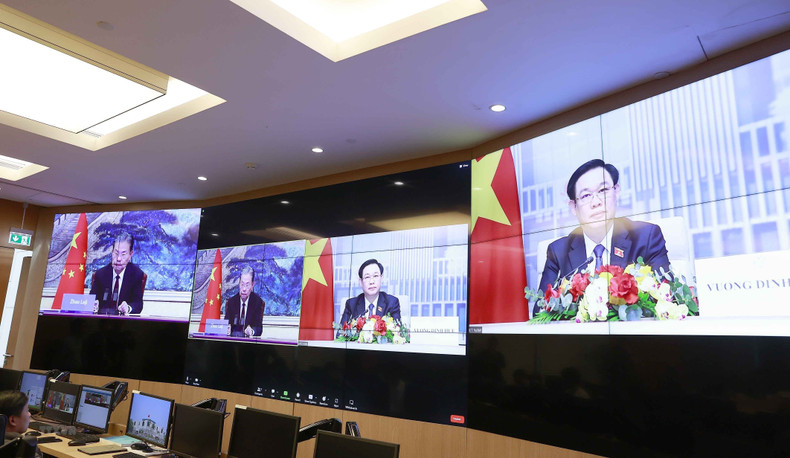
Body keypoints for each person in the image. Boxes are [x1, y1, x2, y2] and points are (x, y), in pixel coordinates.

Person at [537, 159, 670, 310]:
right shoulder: (558, 251)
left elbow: (666, 297)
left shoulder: (646, 237)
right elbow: (540, 309)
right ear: (573, 207)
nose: (596, 202)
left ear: (616, 191)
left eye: (603, 191)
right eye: (586, 195)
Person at [90, 232, 145, 315]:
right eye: (116, 253)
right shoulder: (100, 274)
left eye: (123, 254)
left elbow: (138, 304)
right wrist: (94, 304)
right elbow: (91, 299)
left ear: (130, 254)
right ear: (112, 252)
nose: (118, 258)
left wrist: (128, 308)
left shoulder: (136, 275)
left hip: (124, 324)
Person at [339, 259, 401, 325]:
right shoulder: (351, 304)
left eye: (375, 276)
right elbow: (341, 333)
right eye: (367, 277)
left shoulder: (392, 303)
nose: (371, 282)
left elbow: (397, 331)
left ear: (381, 278)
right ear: (360, 282)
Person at [224, 266, 264, 337]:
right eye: (242, 284)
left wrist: (252, 331)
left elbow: (259, 328)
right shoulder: (231, 302)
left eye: (247, 285)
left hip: (248, 344)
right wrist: (226, 329)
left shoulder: (257, 302)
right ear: (239, 283)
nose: (244, 289)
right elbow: (226, 323)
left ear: (252, 285)